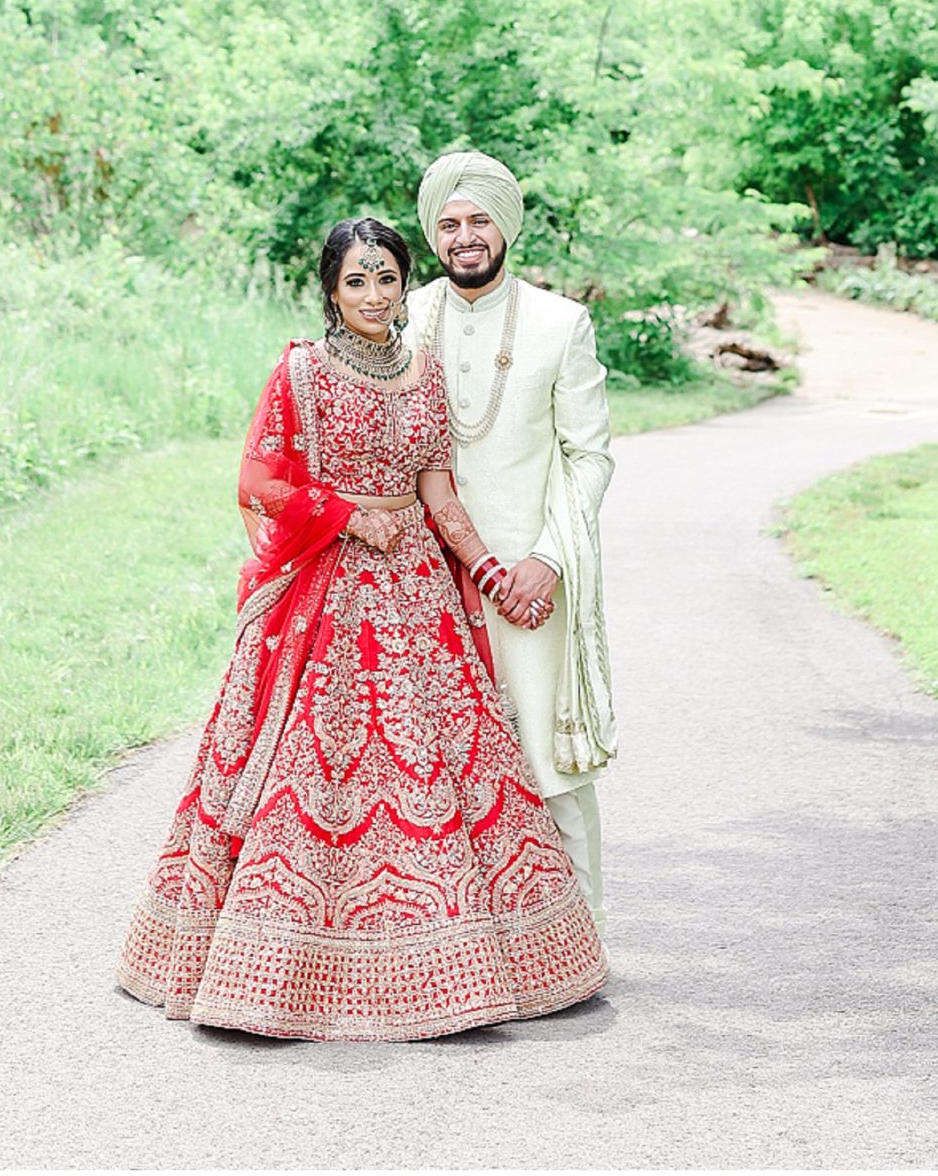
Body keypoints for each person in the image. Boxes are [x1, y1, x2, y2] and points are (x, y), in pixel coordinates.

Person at [116, 215, 606, 1042]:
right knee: (312, 768)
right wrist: (344, 516)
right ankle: (277, 972)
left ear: (401, 283)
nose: (374, 296)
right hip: (328, 596)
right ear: (331, 292)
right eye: (356, 282)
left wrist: (494, 573)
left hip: (418, 594)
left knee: (442, 763)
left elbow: (441, 496)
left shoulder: (422, 375)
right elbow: (259, 480)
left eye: (386, 279)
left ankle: (453, 960)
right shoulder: (302, 371)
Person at [406, 151, 615, 933]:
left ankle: (580, 934)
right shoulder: (404, 314)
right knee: (434, 767)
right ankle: (462, 946)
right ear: (433, 233)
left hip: (529, 580)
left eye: (479, 220)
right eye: (450, 223)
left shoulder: (562, 323)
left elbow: (589, 457)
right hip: (419, 580)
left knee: (547, 761)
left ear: (506, 225)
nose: (466, 237)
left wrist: (548, 559)